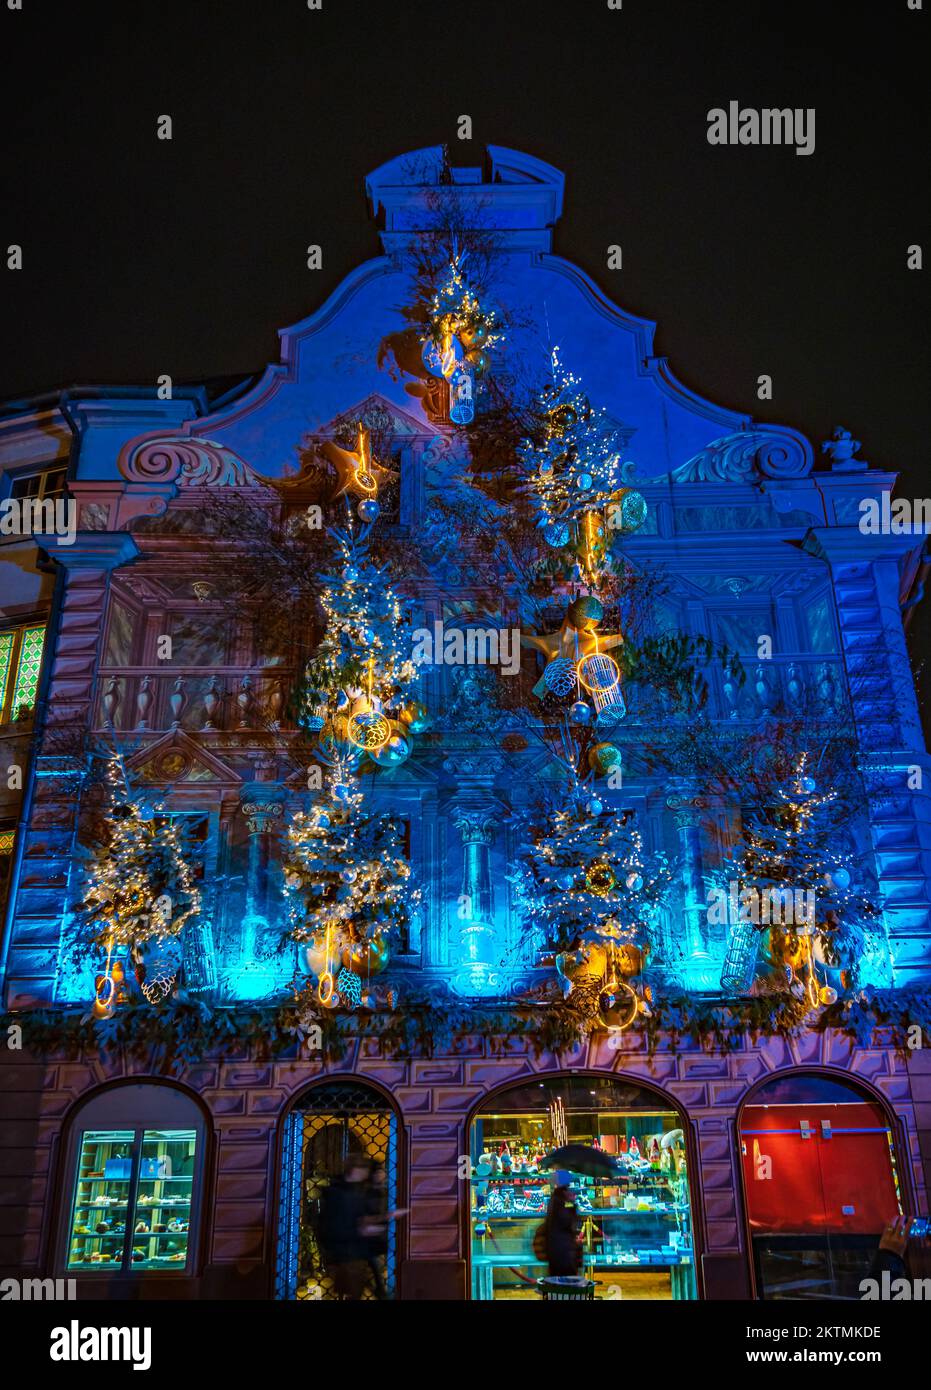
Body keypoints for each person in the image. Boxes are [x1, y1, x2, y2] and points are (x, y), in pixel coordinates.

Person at [318, 1156, 372, 1300]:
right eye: (365, 1169)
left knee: (346, 1290)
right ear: (355, 1170)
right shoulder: (343, 1194)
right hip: (348, 1251)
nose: (367, 1173)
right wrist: (361, 1230)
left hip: (346, 1250)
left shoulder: (350, 1191)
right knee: (353, 1290)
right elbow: (338, 1224)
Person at [544, 1169, 581, 1277]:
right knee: (566, 1280)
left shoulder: (555, 1197)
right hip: (564, 1248)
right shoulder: (563, 1198)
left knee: (556, 1280)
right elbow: (567, 1220)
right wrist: (573, 1206)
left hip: (554, 1246)